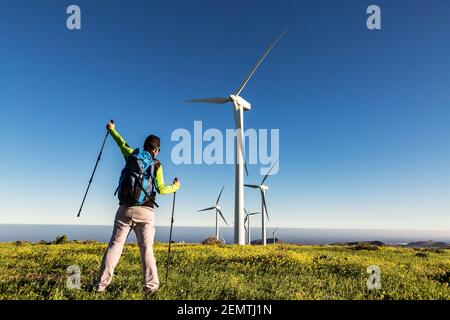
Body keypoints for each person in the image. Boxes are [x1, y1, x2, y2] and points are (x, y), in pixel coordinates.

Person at [94, 121, 180, 295]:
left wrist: (112, 130)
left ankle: (100, 286)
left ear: (144, 146)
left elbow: (121, 143)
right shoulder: (156, 165)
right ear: (156, 150)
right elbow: (162, 189)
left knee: (115, 246)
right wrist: (176, 186)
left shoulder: (132, 154)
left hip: (124, 209)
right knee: (146, 248)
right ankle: (150, 287)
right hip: (146, 211)